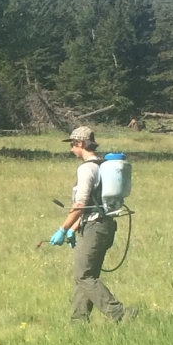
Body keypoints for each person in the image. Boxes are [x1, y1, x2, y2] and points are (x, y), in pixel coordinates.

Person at [51, 125, 130, 324]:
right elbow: (94, 204)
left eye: (72, 145)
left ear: (80, 143)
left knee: (84, 276)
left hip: (95, 228)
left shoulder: (86, 168)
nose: (71, 149)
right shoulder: (102, 166)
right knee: (86, 276)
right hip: (104, 226)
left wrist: (63, 229)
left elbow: (81, 203)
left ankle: (120, 313)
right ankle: (78, 321)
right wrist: (75, 228)